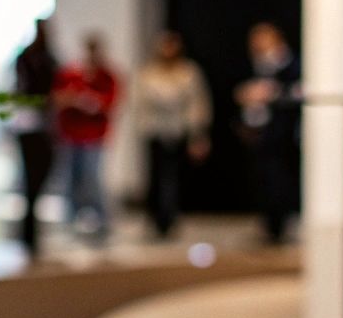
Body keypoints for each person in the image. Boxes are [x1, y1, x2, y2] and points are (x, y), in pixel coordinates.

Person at [135, 30, 211, 238]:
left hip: (179, 131)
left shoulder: (188, 72)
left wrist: (198, 133)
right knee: (156, 177)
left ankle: (173, 217)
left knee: (175, 178)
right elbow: (140, 104)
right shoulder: (148, 74)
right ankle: (156, 219)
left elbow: (198, 103)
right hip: (156, 131)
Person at [235, 22, 302, 243]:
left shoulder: (291, 63)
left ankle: (279, 225)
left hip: (282, 135)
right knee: (261, 179)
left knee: (279, 179)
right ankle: (268, 224)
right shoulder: (255, 64)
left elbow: (298, 92)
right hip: (258, 132)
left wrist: (272, 94)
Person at [53, 32, 121, 241]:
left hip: (94, 136)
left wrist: (91, 102)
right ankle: (72, 221)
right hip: (71, 134)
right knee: (70, 179)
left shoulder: (108, 76)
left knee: (92, 178)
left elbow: (110, 104)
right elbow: (57, 99)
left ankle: (103, 220)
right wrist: (74, 99)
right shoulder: (71, 74)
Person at [11, 18, 58, 256]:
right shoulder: (28, 59)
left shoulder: (46, 58)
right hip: (30, 124)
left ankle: (30, 230)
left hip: (39, 125)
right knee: (32, 178)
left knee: (37, 178)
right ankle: (28, 232)